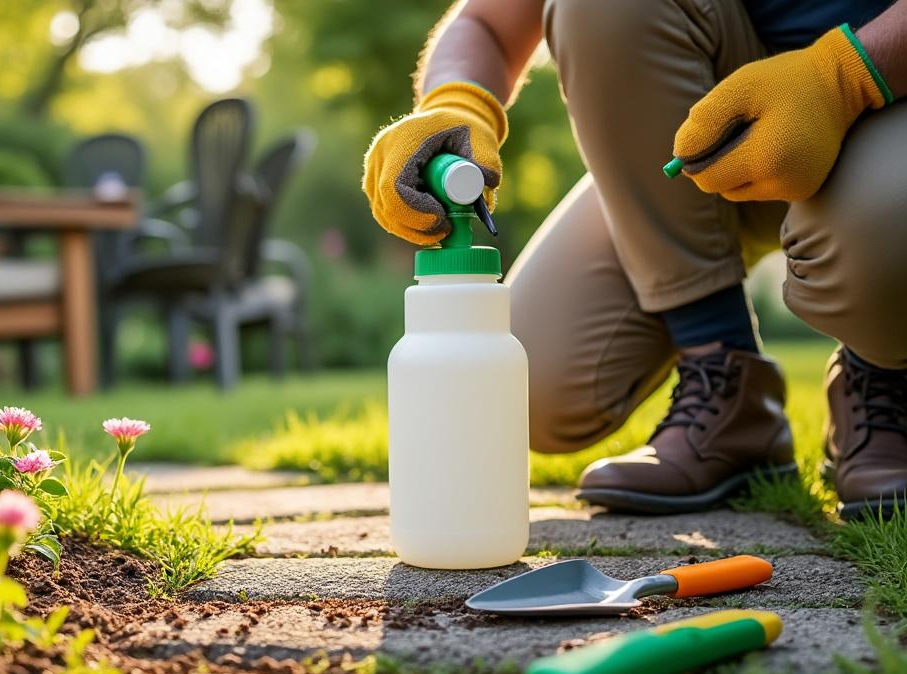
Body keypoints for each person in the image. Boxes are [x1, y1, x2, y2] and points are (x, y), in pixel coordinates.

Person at [363, 0, 907, 520]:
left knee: (881, 232)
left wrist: (842, 77)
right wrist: (455, 108)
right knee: (530, 386)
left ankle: (884, 377)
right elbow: (487, 22)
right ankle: (724, 378)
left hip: (886, 98)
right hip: (704, 140)